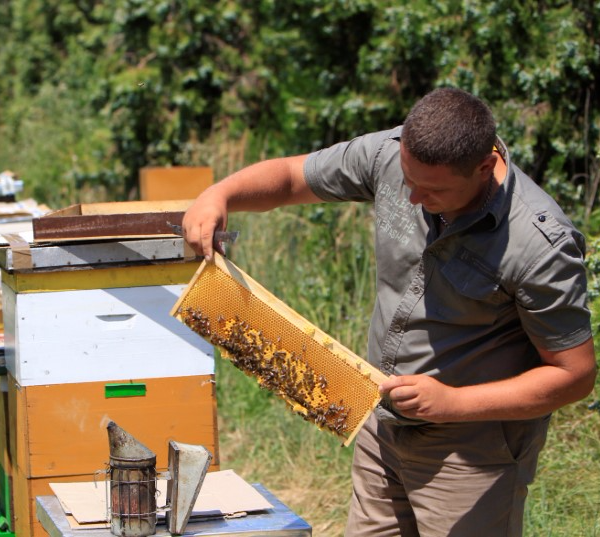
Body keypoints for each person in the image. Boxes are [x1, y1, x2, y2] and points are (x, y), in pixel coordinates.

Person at [181, 87, 597, 536]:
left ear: (483, 167)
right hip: (380, 428)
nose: (413, 196)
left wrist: (453, 403)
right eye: (408, 179)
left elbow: (574, 374)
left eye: (433, 189)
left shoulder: (539, 245)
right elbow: (289, 177)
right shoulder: (388, 153)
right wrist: (218, 195)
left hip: (471, 452)